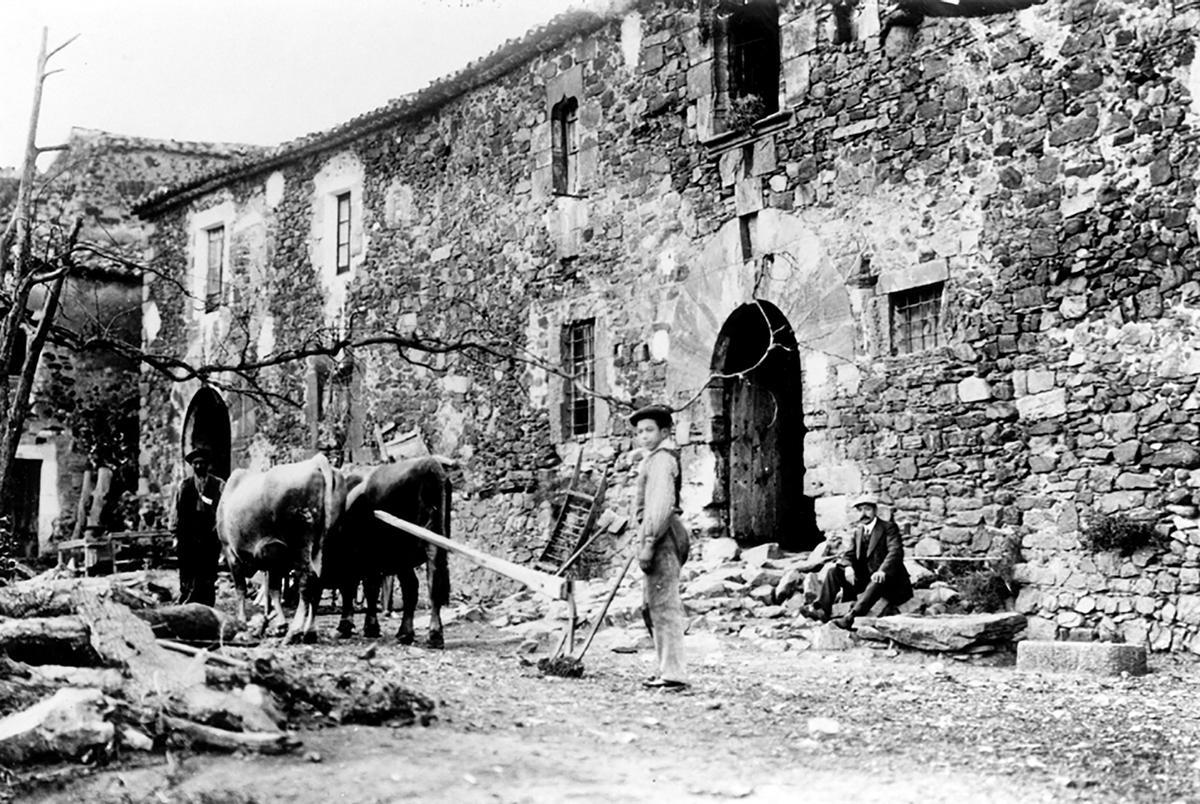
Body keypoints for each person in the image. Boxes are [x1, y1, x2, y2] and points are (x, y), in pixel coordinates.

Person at [631, 404, 690, 690]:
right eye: (639, 431)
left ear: (664, 432)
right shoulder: (652, 459)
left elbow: (661, 505)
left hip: (663, 535)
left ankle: (674, 674)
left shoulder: (663, 461)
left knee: (664, 606)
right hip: (656, 533)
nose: (643, 436)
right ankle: (665, 668)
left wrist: (649, 543)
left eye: (649, 430)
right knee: (652, 605)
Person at [802, 494, 912, 629]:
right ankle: (822, 609)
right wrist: (848, 567)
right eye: (860, 510)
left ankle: (851, 617)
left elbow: (895, 552)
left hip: (889, 581)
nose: (863, 514)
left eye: (867, 509)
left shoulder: (888, 527)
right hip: (866, 581)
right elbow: (849, 555)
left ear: (875, 510)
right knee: (833, 571)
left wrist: (882, 571)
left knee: (876, 579)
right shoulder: (858, 532)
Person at [173, 446, 225, 607]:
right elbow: (175, 510)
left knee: (208, 570)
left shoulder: (218, 484)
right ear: (192, 465)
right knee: (188, 569)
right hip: (188, 534)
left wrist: (221, 533)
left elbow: (224, 509)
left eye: (202, 463)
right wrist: (175, 534)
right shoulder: (184, 485)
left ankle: (207, 604)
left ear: (207, 465)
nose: (198, 466)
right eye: (195, 463)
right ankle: (187, 602)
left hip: (209, 534)